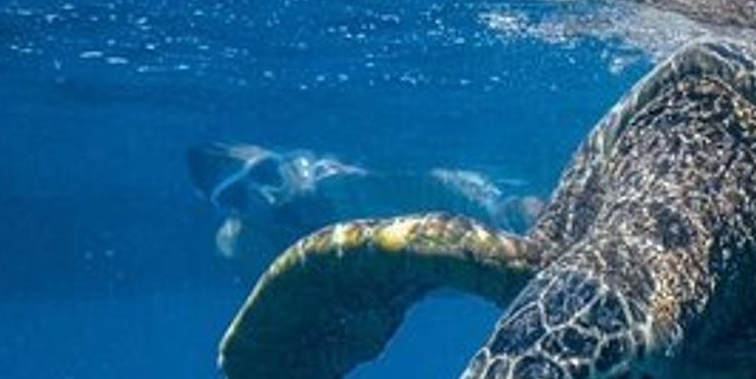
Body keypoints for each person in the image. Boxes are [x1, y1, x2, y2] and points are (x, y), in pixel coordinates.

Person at [188, 141, 543, 266]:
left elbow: (491, 204)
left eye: (267, 174)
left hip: (471, 249)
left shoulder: (350, 185)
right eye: (235, 197)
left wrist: (525, 214)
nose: (264, 197)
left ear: (287, 160)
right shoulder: (241, 246)